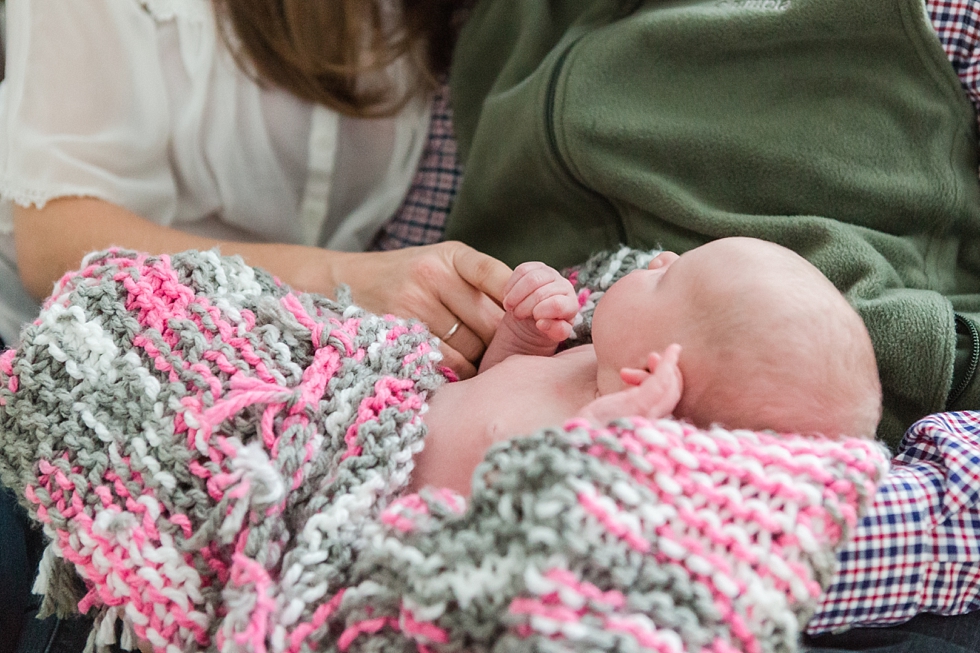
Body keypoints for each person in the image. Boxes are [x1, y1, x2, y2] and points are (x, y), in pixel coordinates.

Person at [410, 237, 883, 495]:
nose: (660, 258)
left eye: (667, 278)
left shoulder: (597, 457)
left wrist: (594, 437)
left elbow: (518, 500)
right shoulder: (585, 361)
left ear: (650, 370)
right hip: (382, 418)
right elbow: (492, 385)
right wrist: (523, 333)